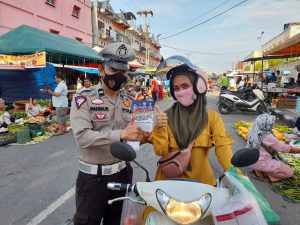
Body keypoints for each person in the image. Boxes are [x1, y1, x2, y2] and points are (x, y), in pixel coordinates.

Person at [143, 56, 236, 222]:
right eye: (176, 88)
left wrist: (238, 178)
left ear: (198, 86)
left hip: (202, 187)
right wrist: (159, 128)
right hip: (167, 185)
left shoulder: (212, 118)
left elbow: (223, 150)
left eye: (185, 86)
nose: (180, 91)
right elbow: (161, 151)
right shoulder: (167, 117)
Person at [70, 42, 149, 225]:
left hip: (123, 174)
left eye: (124, 71)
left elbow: (131, 138)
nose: (120, 76)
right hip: (93, 179)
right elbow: (82, 137)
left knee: (117, 221)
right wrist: (122, 134)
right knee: (87, 222)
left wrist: (143, 137)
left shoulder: (129, 100)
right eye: (114, 69)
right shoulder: (84, 98)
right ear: (101, 71)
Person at [247, 114, 300, 182]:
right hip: (261, 162)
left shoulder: (253, 131)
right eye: (272, 123)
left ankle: (258, 169)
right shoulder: (267, 136)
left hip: (251, 160)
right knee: (289, 173)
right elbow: (284, 148)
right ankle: (262, 172)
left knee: (283, 163)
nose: (273, 124)